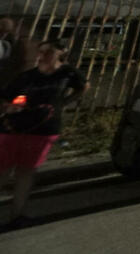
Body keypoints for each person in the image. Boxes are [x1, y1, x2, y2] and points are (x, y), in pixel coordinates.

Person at [1, 37, 87, 229]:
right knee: (3, 172)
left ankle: (17, 216)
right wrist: (10, 107)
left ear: (61, 54)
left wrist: (63, 104)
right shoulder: (27, 77)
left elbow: (83, 87)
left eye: (49, 51)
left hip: (43, 131)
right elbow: (6, 98)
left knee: (26, 173)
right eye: (41, 51)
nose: (42, 55)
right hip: (13, 129)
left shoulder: (67, 74)